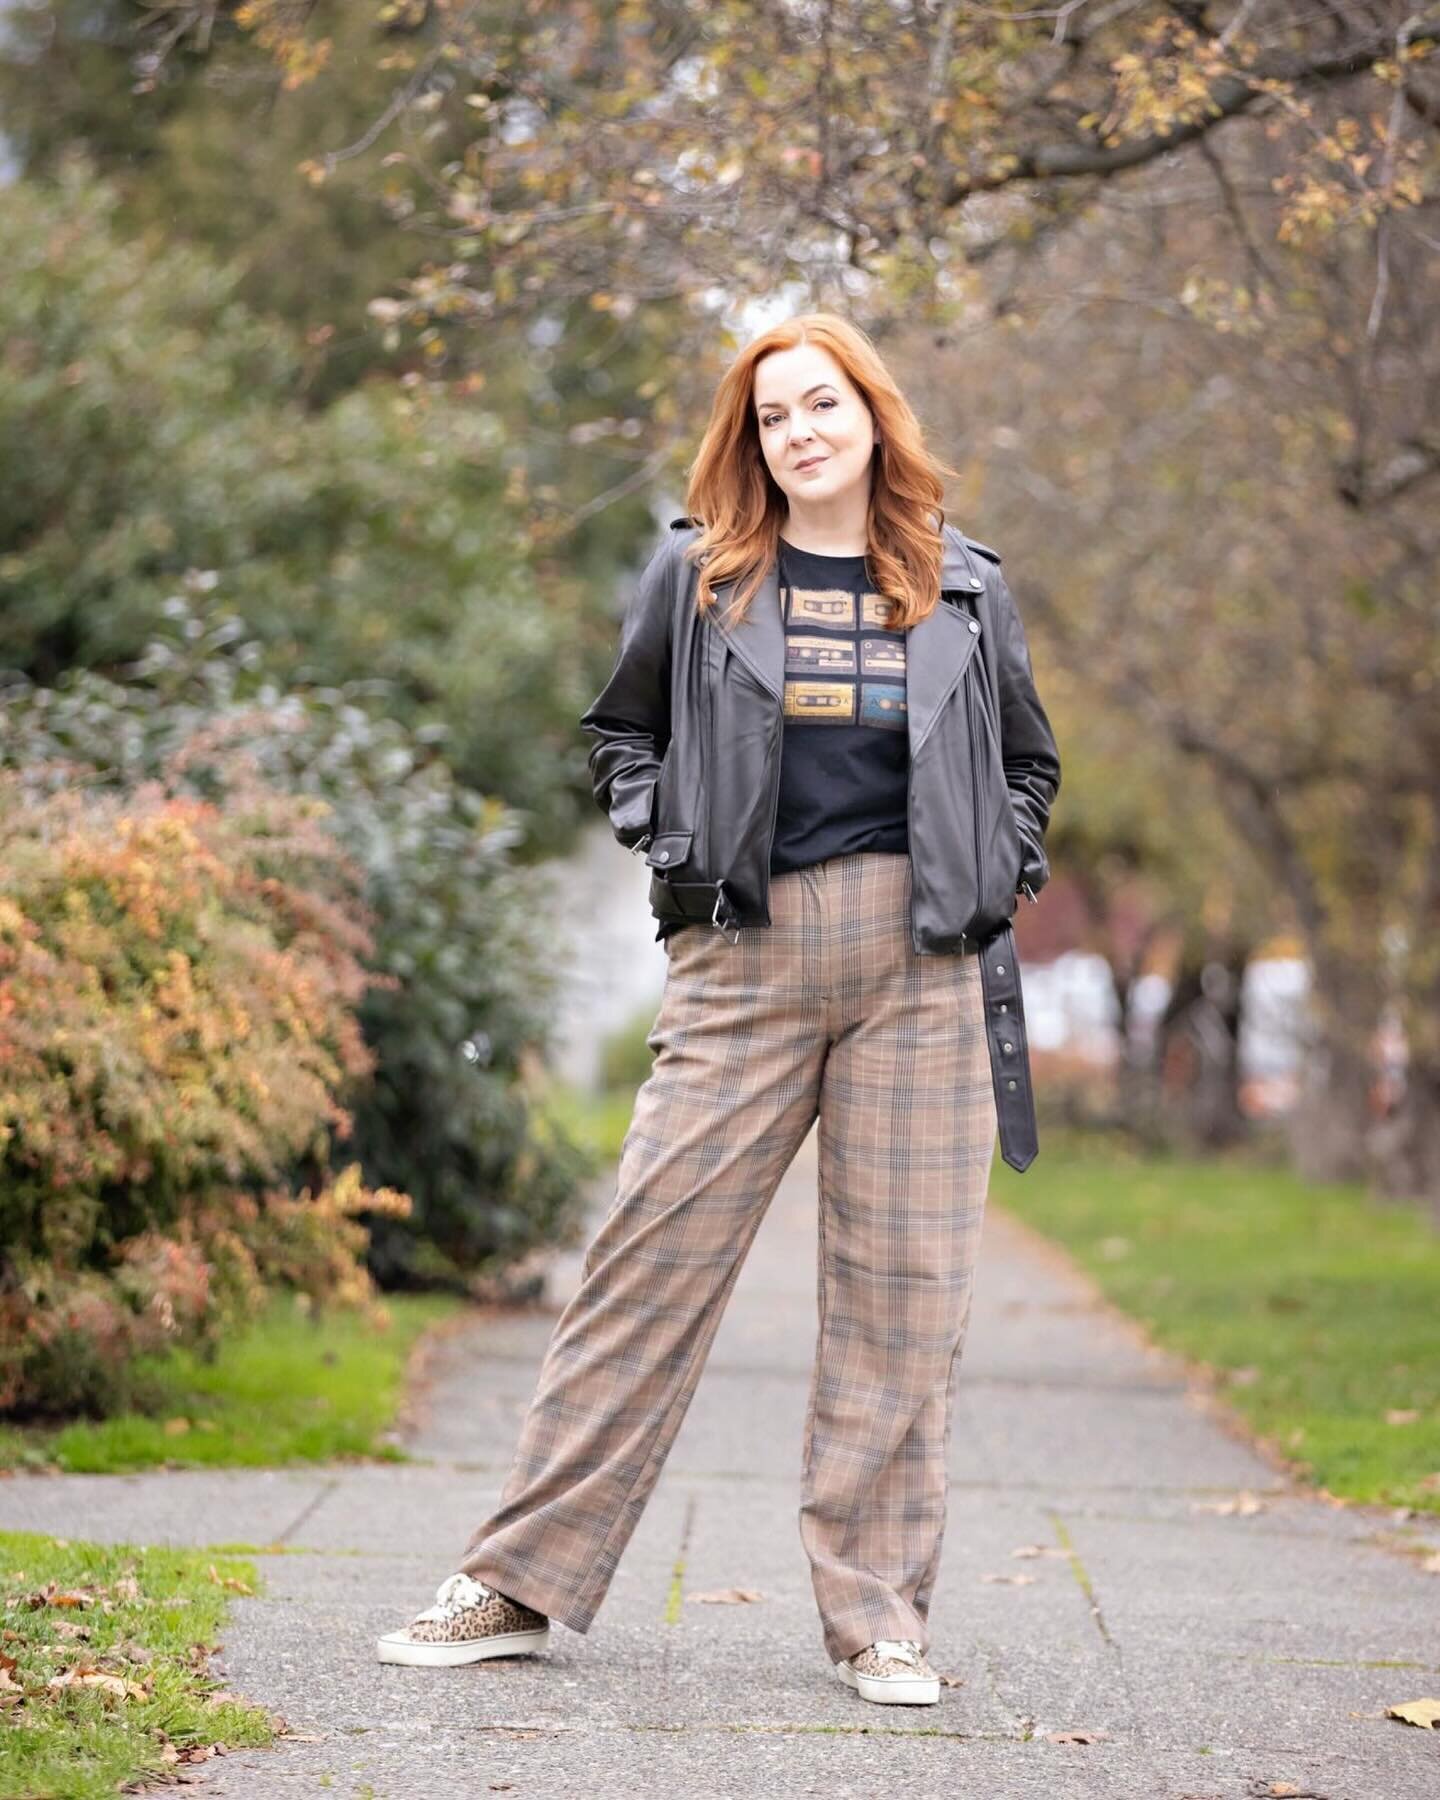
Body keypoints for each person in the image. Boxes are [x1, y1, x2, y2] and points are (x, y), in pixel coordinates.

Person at [377, 312, 1062, 1708]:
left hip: (924, 962)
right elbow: (620, 729)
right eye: (771, 416)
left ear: (873, 418)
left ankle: (880, 1623)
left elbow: (1028, 764)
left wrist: (1005, 865)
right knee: (647, 1265)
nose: (799, 431)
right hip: (742, 954)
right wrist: (668, 835)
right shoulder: (699, 576)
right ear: (750, 442)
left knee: (902, 1304)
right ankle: (510, 1582)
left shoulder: (967, 588)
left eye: (823, 404)